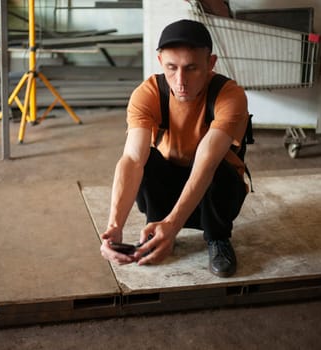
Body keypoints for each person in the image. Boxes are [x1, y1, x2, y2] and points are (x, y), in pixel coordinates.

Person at [99, 19, 249, 277]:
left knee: (221, 171)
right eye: (171, 68)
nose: (181, 81)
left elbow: (206, 162)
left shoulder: (230, 95)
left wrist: (173, 224)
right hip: (168, 184)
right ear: (159, 62)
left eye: (192, 68)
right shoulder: (147, 94)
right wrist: (114, 226)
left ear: (210, 63)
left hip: (212, 187)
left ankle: (217, 239)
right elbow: (132, 159)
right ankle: (156, 229)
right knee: (148, 160)